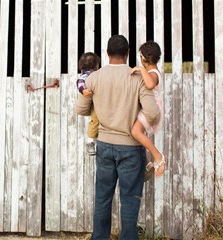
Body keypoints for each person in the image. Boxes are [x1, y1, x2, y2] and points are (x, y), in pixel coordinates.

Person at [75, 35, 161, 239]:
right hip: (131, 149)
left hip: (104, 145)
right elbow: (153, 113)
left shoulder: (94, 77)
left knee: (103, 198)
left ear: (106, 53)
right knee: (130, 199)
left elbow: (80, 108)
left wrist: (103, 109)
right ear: (128, 53)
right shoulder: (137, 76)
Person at [131, 41, 166, 181]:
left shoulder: (153, 73)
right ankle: (146, 162)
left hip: (151, 109)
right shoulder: (152, 72)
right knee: (138, 135)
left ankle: (158, 156)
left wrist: (141, 69)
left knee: (135, 131)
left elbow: (150, 84)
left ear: (143, 58)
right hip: (151, 109)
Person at [76, 52, 101, 155]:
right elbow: (80, 82)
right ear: (95, 65)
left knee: (97, 120)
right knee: (95, 120)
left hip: (97, 101)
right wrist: (83, 90)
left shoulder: (95, 74)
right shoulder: (87, 75)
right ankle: (90, 141)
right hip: (94, 103)